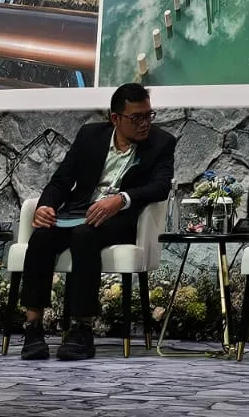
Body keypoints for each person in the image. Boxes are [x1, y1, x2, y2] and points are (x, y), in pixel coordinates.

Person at [17, 83, 175, 361]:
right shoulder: (90, 136)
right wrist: (45, 206)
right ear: (115, 118)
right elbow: (62, 180)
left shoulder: (161, 143)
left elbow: (161, 187)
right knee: (41, 236)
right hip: (78, 212)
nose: (144, 123)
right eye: (136, 117)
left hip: (120, 219)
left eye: (148, 115)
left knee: (84, 235)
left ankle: (82, 329)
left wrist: (121, 199)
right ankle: (33, 329)